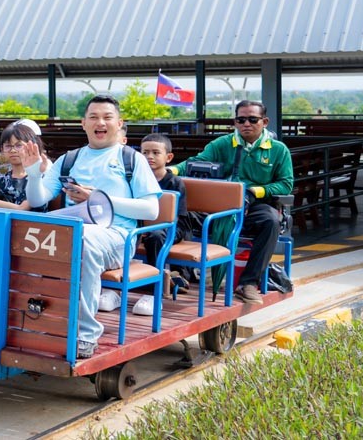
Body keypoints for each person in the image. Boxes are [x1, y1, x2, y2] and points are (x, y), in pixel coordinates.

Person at [20, 94, 162, 358]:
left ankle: (85, 334)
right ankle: (35, 320)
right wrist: (32, 174)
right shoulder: (70, 159)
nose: (101, 122)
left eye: (107, 117)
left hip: (117, 238)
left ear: (119, 123)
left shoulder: (131, 159)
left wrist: (97, 198)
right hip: (72, 231)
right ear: (83, 123)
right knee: (27, 234)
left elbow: (151, 210)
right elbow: (38, 200)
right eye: (94, 117)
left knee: (81, 240)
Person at [170, 100, 294, 304]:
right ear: (235, 122)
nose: (246, 124)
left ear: (264, 122)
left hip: (254, 206)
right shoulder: (223, 144)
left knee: (270, 221)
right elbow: (195, 162)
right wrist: (170, 170)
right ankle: (181, 274)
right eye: (241, 120)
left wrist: (256, 191)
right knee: (182, 213)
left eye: (253, 119)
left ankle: (248, 283)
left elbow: (285, 184)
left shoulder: (278, 150)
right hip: (220, 206)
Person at [135, 134, 193, 312]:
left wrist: (150, 227)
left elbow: (177, 216)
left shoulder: (175, 182)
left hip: (173, 226)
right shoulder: (137, 179)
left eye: (155, 152)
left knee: (155, 236)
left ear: (168, 157)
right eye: (145, 152)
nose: (149, 157)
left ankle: (155, 287)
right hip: (145, 225)